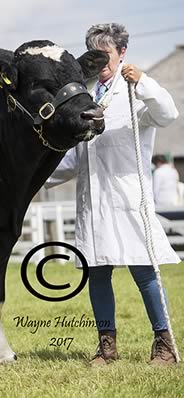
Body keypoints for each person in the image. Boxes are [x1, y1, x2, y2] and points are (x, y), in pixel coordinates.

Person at [46, 23, 180, 365]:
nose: (102, 60)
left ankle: (163, 345)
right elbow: (76, 159)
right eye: (96, 54)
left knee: (143, 272)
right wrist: (34, 180)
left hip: (128, 198)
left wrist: (145, 83)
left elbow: (167, 114)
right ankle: (107, 347)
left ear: (122, 54)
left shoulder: (136, 92)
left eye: (109, 53)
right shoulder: (86, 95)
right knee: (97, 271)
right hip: (94, 200)